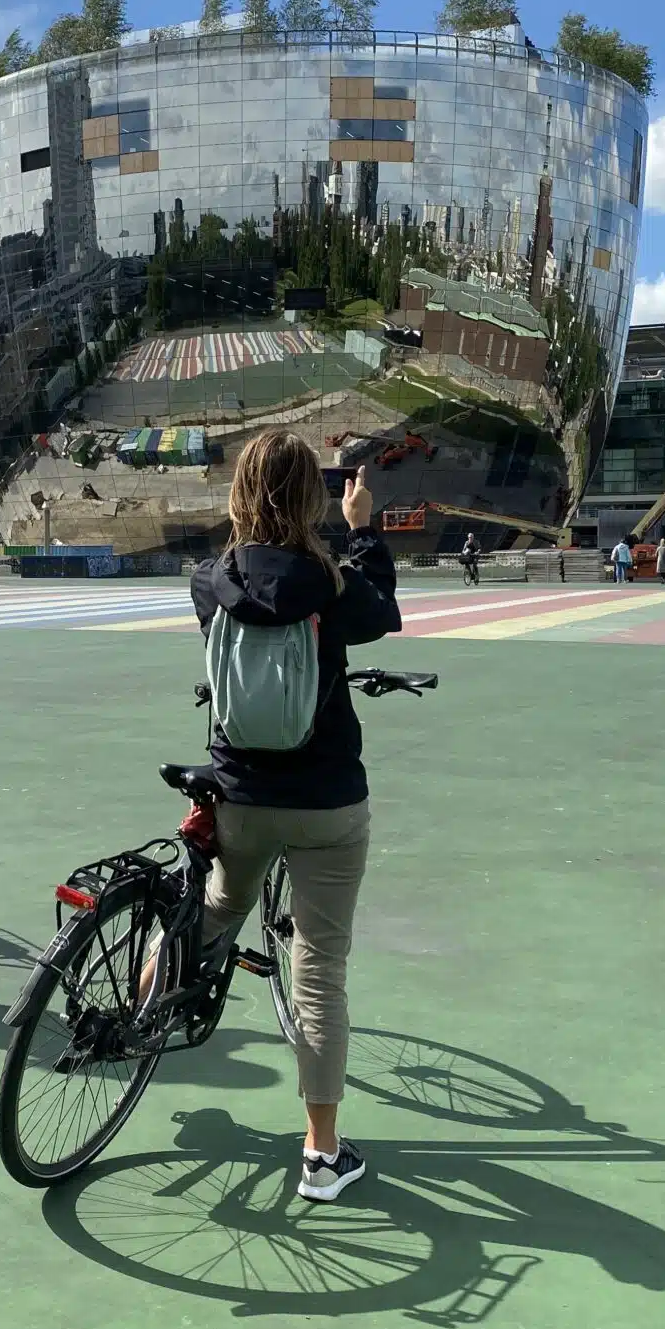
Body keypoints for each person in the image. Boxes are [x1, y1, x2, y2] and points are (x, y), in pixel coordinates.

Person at [187, 431, 402, 1204]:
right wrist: (362, 528)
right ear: (314, 496)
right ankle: (321, 1153)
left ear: (239, 494)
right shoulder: (333, 585)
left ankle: (140, 1009)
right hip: (325, 802)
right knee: (319, 974)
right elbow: (384, 614)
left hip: (239, 793)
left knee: (216, 906)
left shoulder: (209, 581)